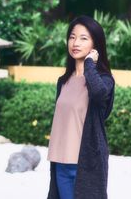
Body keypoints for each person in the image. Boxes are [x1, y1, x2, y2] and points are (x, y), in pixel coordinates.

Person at [47, 15, 115, 199]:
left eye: (83, 38)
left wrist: (89, 66)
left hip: (87, 162)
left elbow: (99, 96)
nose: (75, 42)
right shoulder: (63, 81)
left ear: (96, 44)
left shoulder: (104, 81)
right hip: (61, 161)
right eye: (72, 37)